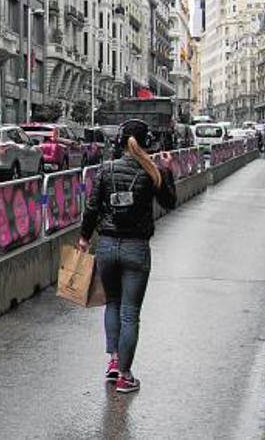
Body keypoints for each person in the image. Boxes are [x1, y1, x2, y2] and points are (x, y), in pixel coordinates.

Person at [77, 119, 176, 394]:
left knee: (112, 303)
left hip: (106, 246)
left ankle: (113, 362)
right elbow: (170, 202)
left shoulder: (105, 169)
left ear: (119, 142)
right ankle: (125, 376)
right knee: (130, 313)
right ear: (146, 144)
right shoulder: (151, 171)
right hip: (136, 248)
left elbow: (92, 208)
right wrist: (167, 171)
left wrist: (84, 239)